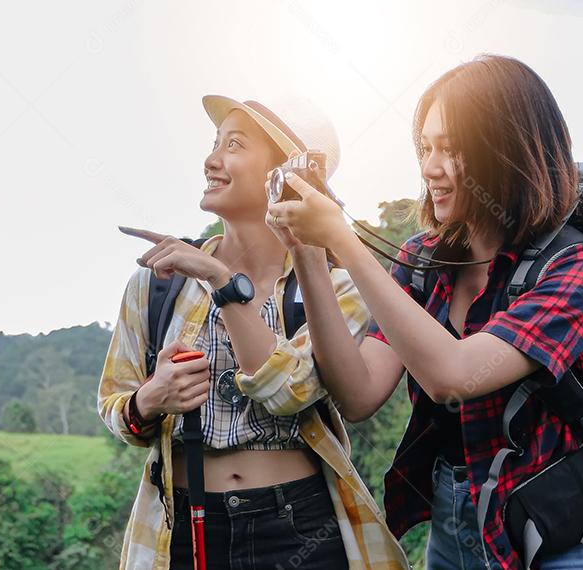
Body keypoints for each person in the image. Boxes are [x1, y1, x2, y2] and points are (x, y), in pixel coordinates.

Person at [266, 54, 583, 569]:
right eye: (425, 147)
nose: (430, 168)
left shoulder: (580, 269)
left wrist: (343, 236)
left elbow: (452, 375)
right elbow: (359, 392)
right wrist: (308, 253)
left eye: (452, 150)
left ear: (509, 150)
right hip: (455, 524)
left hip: (552, 532)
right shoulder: (423, 261)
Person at [98, 94, 408, 569]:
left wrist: (224, 285)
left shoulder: (333, 286)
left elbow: (290, 392)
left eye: (234, 145)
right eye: (215, 143)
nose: (211, 160)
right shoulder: (158, 281)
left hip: (298, 525)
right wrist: (151, 398)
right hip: (185, 527)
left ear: (286, 173)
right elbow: (116, 407)